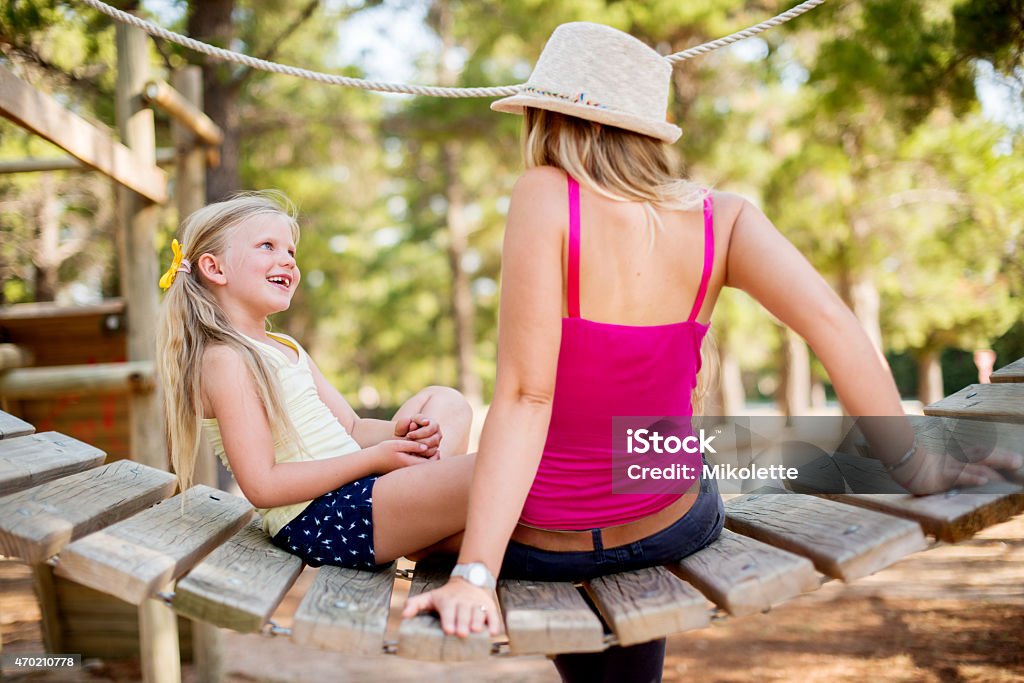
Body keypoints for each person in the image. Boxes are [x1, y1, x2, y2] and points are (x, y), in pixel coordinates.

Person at [401, 22, 1023, 683]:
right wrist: (916, 465)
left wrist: (475, 573)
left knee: (370, 510)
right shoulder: (722, 217)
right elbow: (834, 327)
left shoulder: (544, 194)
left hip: (545, 537)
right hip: (668, 517)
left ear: (549, 121)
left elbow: (527, 396)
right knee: (651, 474)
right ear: (648, 129)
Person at [155, 190, 476, 570]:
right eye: (267, 246)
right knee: (501, 466)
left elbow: (352, 428)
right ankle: (434, 526)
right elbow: (262, 484)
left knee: (445, 401)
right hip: (325, 518)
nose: (286, 261)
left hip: (360, 494)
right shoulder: (225, 359)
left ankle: (427, 531)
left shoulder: (284, 346)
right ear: (215, 268)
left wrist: (400, 434)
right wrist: (375, 458)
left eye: (290, 252)